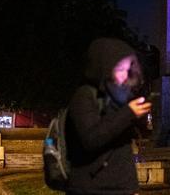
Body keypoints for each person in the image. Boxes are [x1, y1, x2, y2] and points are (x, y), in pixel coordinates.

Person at [64, 38, 152, 195]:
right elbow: (91, 139)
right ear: (103, 68)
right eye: (119, 69)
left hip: (122, 187)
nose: (126, 76)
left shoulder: (120, 97)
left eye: (128, 69)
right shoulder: (84, 96)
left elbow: (124, 142)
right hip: (92, 188)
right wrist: (128, 113)